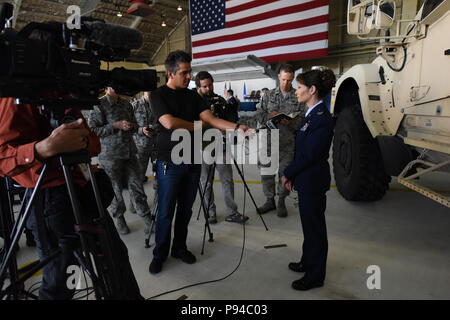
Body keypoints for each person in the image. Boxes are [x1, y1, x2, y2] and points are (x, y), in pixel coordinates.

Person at [0, 97, 142, 300]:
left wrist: (81, 139)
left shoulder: (63, 90)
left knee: (115, 258)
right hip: (50, 197)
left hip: (84, 186)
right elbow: (3, 158)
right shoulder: (15, 94)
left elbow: (93, 145)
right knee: (64, 277)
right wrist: (44, 148)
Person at [149, 50, 251, 274]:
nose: (188, 77)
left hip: (192, 160)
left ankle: (179, 248)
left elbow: (212, 119)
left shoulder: (193, 96)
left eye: (189, 72)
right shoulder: (158, 95)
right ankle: (160, 253)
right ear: (170, 73)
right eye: (184, 73)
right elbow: (168, 123)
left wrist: (236, 127)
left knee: (185, 210)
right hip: (169, 163)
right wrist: (199, 125)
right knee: (166, 211)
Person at [281, 69, 336, 291]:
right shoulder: (311, 113)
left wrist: (288, 173)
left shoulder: (322, 117)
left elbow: (310, 155)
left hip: (312, 181)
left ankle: (315, 275)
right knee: (308, 225)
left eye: (300, 87)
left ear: (312, 90)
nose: (296, 91)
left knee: (315, 230)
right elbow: (302, 149)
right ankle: (307, 261)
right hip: (306, 179)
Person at [88, 87, 152, 236]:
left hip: (130, 152)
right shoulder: (99, 105)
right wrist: (115, 126)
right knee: (115, 190)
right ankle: (119, 218)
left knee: (137, 186)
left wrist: (136, 128)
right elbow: (93, 130)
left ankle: (147, 218)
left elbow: (134, 125)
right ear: (107, 87)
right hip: (111, 155)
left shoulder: (126, 104)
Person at [195, 71, 248, 224]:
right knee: (206, 182)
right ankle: (210, 212)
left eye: (210, 85)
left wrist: (227, 118)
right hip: (202, 147)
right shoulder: (192, 101)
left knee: (227, 179)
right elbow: (189, 124)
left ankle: (232, 212)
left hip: (221, 145)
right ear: (198, 86)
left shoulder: (219, 100)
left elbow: (230, 120)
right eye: (204, 86)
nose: (208, 88)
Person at [257, 65, 306, 218]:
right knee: (267, 173)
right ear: (278, 77)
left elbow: (304, 120)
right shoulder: (268, 95)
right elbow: (258, 115)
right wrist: (269, 116)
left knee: (285, 173)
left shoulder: (297, 96)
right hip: (269, 142)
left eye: (290, 80)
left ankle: (281, 201)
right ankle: (269, 200)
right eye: (284, 79)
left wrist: (291, 122)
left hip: (287, 143)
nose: (286, 83)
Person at [128, 91, 156, 214]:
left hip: (156, 147)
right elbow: (128, 125)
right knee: (138, 178)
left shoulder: (158, 104)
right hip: (140, 148)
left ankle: (158, 204)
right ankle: (135, 204)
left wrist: (154, 128)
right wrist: (141, 130)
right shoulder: (135, 105)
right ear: (144, 91)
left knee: (159, 178)